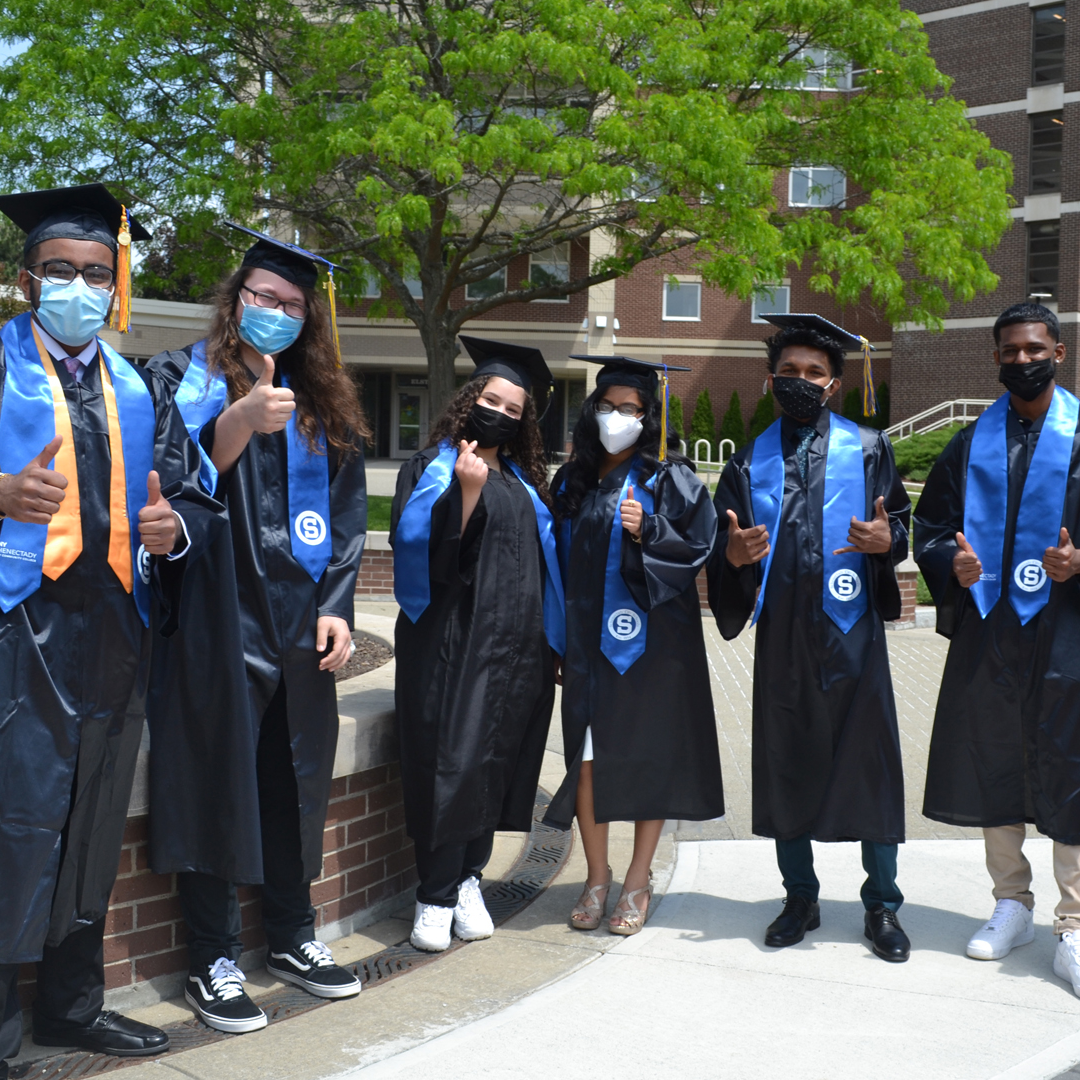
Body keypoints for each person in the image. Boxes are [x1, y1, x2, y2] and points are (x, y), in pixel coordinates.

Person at [0, 184, 223, 1074]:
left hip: (116, 632)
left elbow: (192, 497)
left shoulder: (137, 386)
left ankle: (72, 1006)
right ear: (27, 281)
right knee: (14, 821)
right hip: (19, 629)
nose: (81, 287)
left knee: (90, 820)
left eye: (98, 274)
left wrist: (176, 531)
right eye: (63, 271)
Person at [145, 225, 368, 1034]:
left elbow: (345, 518)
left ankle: (292, 936)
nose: (276, 313)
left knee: (293, 783)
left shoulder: (325, 401)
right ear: (235, 299)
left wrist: (338, 603)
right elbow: (162, 493)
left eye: (293, 306)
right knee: (215, 783)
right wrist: (238, 420)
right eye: (263, 298)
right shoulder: (177, 377)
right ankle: (211, 957)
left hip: (298, 623)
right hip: (211, 617)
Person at [709, 314, 912, 962]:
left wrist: (890, 543)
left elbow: (897, 525)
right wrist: (733, 557)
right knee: (785, 766)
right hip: (785, 644)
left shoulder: (869, 448)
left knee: (871, 771)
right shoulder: (747, 459)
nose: (801, 382)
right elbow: (723, 542)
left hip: (853, 642)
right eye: (789, 372)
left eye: (814, 373)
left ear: (833, 384)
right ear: (772, 381)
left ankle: (881, 904)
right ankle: (801, 897)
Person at [914, 302, 1080, 991]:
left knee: (1072, 760)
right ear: (995, 358)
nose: (1021, 360)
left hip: (1068, 627)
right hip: (991, 626)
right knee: (994, 756)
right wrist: (946, 564)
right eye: (1008, 351)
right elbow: (933, 527)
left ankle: (1074, 923)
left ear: (1059, 352)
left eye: (1033, 348)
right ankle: (1011, 901)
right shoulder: (969, 442)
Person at [391, 336, 563, 953]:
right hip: (452, 647)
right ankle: (433, 895)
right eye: (493, 400)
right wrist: (465, 493)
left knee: (497, 765)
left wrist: (554, 641)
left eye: (514, 411)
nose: (502, 414)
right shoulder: (431, 467)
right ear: (470, 400)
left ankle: (469, 877)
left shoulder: (522, 483)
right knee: (452, 762)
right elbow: (426, 564)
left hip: (517, 652)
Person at [545, 355, 723, 936]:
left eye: (631, 408)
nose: (617, 416)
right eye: (608, 405)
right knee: (589, 763)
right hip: (585, 647)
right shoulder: (571, 480)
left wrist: (650, 530)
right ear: (591, 411)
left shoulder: (672, 479)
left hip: (652, 649)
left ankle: (638, 881)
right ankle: (598, 877)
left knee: (647, 760)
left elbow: (699, 547)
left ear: (650, 417)